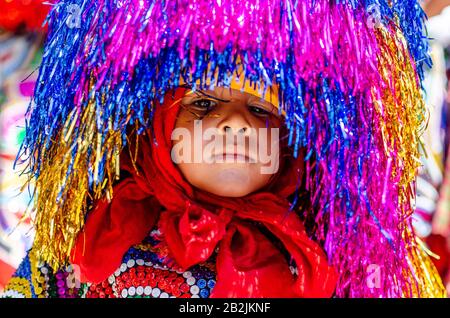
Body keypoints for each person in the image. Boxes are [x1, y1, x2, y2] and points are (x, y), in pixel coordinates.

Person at [1, 0, 446, 298]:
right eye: (204, 103)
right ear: (161, 127)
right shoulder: (94, 235)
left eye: (261, 109)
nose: (234, 124)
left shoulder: (326, 259)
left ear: (293, 143)